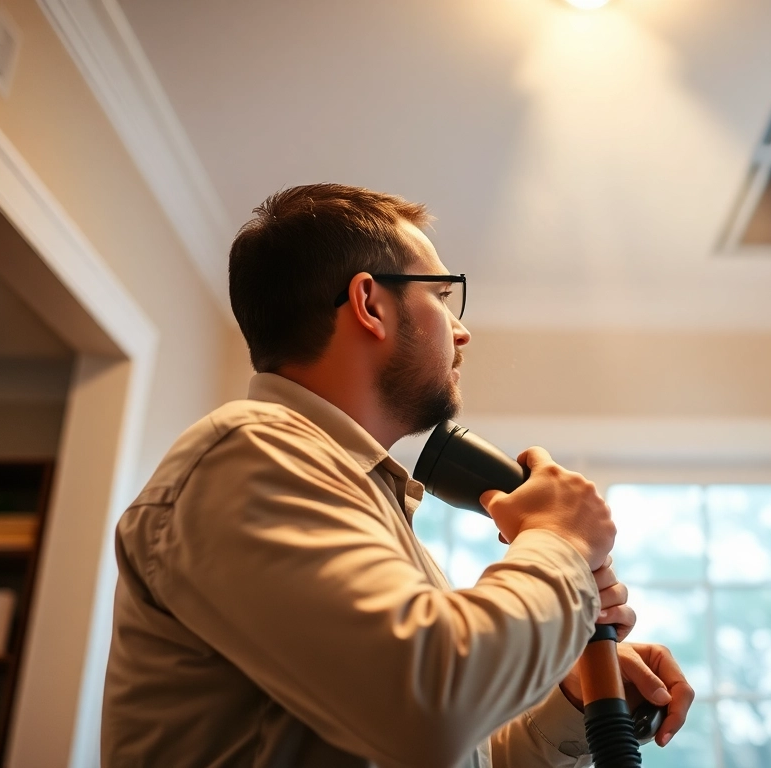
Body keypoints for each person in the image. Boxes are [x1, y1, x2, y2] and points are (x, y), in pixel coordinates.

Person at [101, 183, 694, 767]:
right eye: (441, 296)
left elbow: (441, 747)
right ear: (369, 304)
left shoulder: (364, 501)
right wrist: (559, 544)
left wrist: (576, 701)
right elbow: (430, 711)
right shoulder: (250, 454)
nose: (461, 332)